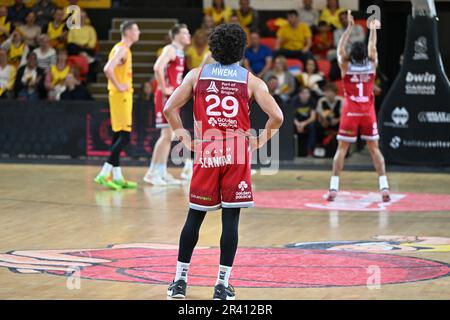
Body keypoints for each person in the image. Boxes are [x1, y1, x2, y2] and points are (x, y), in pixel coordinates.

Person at [163, 23, 283, 300]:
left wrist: (184, 139)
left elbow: (170, 108)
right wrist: (260, 141)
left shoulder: (197, 75)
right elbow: (277, 116)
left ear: (212, 49)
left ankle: (179, 282)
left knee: (195, 217)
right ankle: (221, 285)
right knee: (231, 220)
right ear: (241, 50)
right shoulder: (251, 80)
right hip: (237, 154)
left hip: (207, 150)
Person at [327, 11, 390, 202]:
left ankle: (333, 188)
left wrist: (349, 29)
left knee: (342, 149)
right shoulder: (372, 64)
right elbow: (373, 45)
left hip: (350, 111)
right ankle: (384, 186)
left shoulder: (345, 65)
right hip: (367, 111)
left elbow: (339, 49)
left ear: (352, 54)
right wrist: (372, 29)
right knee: (374, 149)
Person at [143, 24, 192, 186]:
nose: (188, 35)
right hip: (165, 96)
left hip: (172, 97)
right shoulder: (170, 49)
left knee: (169, 136)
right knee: (165, 135)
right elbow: (157, 67)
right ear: (176, 35)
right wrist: (163, 87)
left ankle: (161, 171)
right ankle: (152, 173)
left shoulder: (180, 52)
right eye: (185, 33)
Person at [94, 21, 140, 191]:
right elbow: (108, 69)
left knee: (118, 135)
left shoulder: (120, 48)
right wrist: (120, 85)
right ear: (128, 32)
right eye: (136, 29)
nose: (139, 32)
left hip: (119, 96)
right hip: (121, 96)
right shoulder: (122, 49)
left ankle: (118, 176)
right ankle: (104, 173)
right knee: (125, 137)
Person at [315, 82, 342, 156]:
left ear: (334, 92)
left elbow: (344, 115)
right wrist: (325, 121)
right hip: (326, 122)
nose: (328, 94)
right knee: (317, 126)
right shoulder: (322, 101)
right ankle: (319, 146)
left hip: (338, 122)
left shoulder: (341, 100)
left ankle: (341, 148)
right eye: (326, 92)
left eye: (330, 92)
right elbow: (320, 113)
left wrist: (337, 120)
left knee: (343, 125)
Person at [291, 87, 317, 156]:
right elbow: (292, 116)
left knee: (312, 127)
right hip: (296, 121)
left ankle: (310, 150)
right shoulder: (294, 100)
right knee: (289, 127)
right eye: (303, 93)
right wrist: (298, 124)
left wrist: (303, 124)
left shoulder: (312, 101)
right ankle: (291, 150)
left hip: (307, 122)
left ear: (309, 94)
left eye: (307, 93)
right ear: (299, 94)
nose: (305, 95)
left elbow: (313, 117)